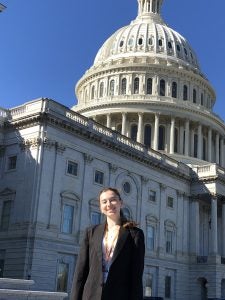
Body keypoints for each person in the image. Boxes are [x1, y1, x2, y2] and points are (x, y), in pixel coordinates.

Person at [70, 187, 145, 300]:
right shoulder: (91, 233)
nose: (109, 204)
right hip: (91, 295)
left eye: (113, 200)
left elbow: (136, 277)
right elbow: (80, 273)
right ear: (101, 208)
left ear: (121, 203)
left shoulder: (135, 234)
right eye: (104, 202)